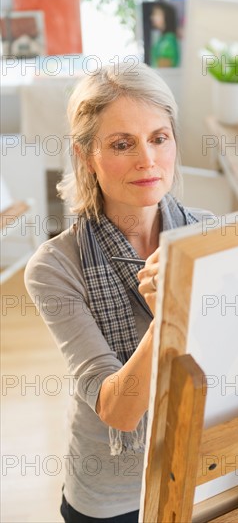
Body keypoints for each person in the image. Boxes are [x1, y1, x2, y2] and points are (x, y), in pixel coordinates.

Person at [24, 62, 210, 522]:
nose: (147, 159)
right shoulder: (53, 267)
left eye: (159, 138)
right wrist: (170, 314)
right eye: (122, 144)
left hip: (204, 471)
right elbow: (119, 411)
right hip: (112, 497)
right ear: (86, 155)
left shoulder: (211, 235)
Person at [150, 2, 180, 68]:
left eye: (157, 14)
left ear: (166, 16)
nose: (152, 17)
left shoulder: (167, 41)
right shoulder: (163, 39)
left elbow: (164, 71)